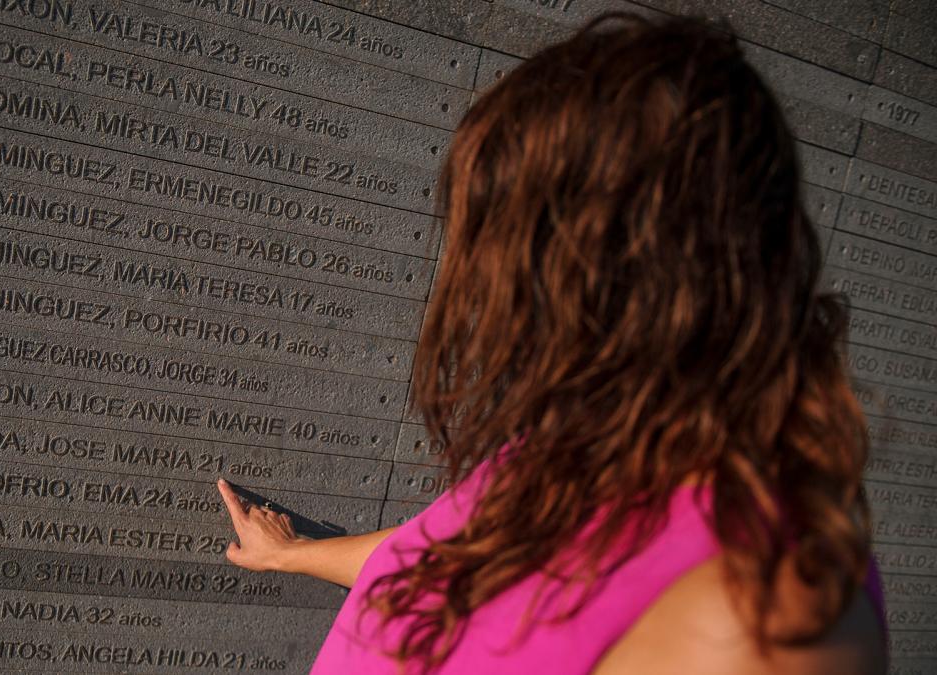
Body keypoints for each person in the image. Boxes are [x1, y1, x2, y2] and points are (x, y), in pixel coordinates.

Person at [216, 12, 888, 675]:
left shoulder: (767, 616)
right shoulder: (575, 443)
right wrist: (293, 551)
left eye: (504, 235)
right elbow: (447, 549)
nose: (480, 282)